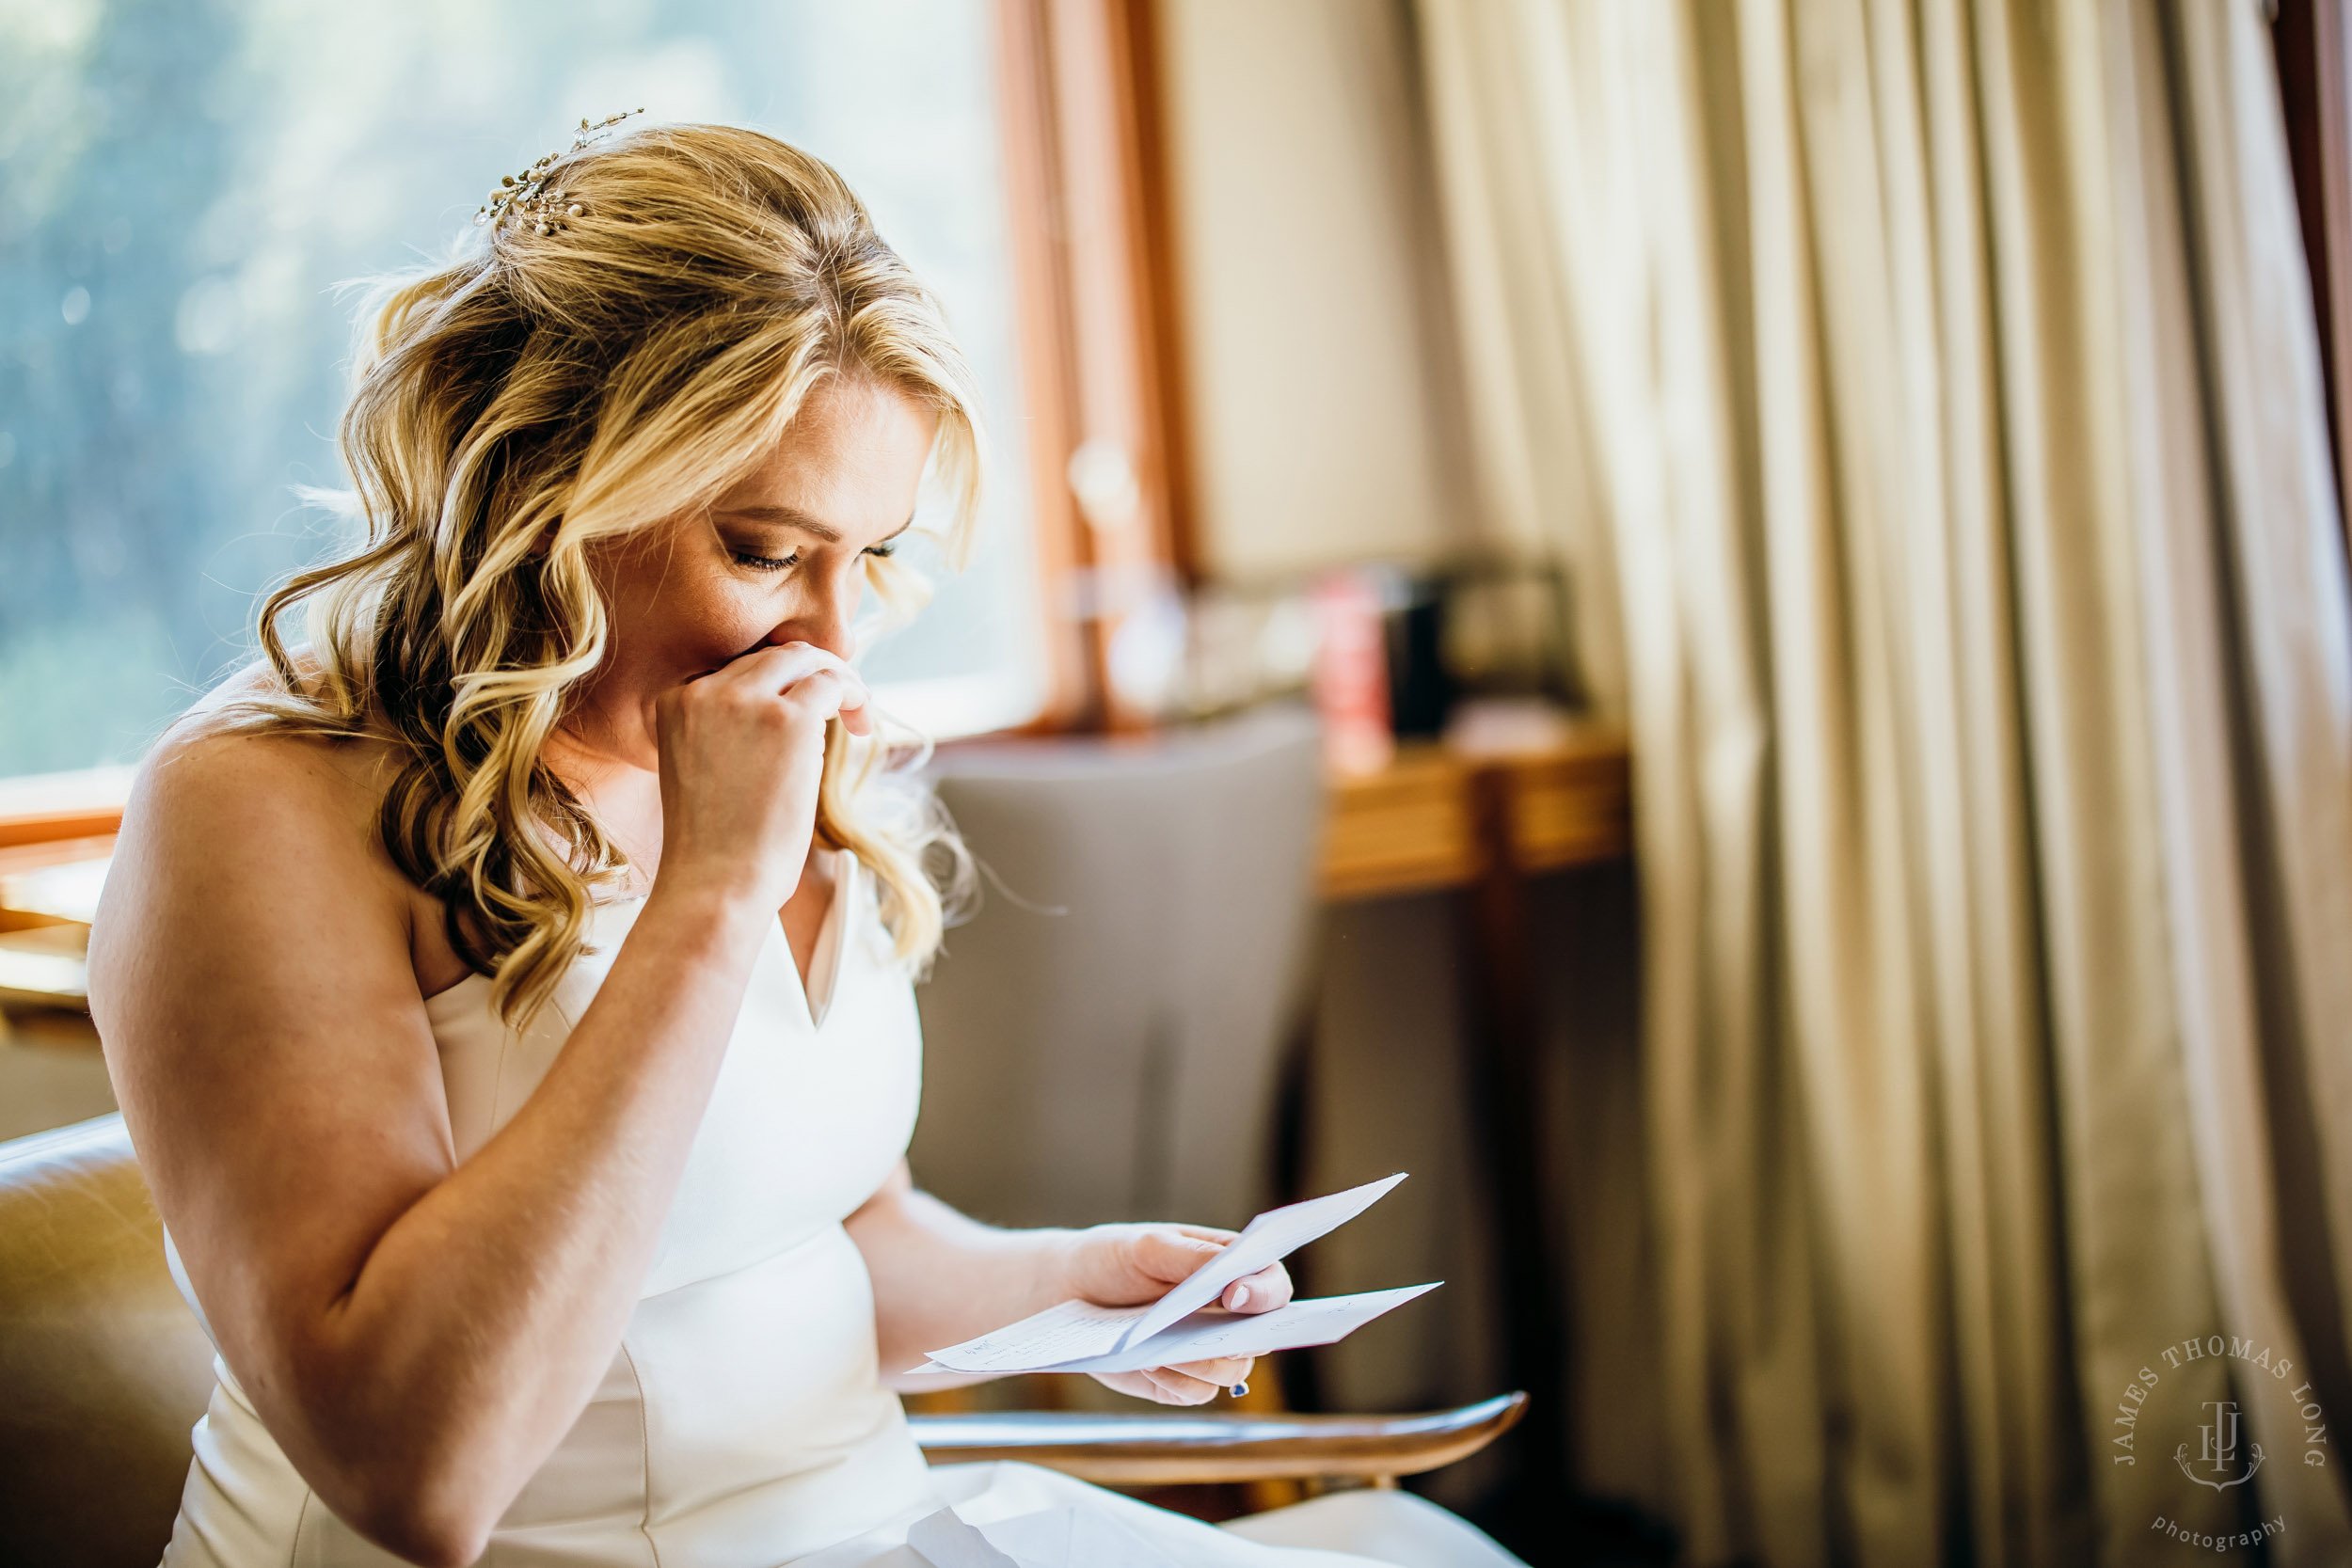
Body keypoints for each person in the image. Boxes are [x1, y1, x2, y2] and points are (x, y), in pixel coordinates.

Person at [87, 122, 1522, 1568]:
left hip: (872, 1523)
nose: (835, 645)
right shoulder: (257, 807)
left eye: (872, 558)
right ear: (545, 487)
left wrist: (1074, 1287)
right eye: (766, 552)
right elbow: (416, 1473)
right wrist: (708, 900)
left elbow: (810, 1243)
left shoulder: (764, 742)